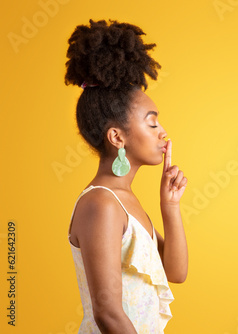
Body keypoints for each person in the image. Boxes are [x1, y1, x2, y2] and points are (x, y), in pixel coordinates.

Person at [64, 19, 188, 333]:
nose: (163, 133)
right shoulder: (101, 204)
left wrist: (170, 207)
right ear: (117, 137)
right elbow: (107, 313)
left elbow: (176, 271)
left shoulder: (126, 201)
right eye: (152, 123)